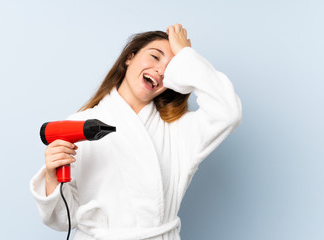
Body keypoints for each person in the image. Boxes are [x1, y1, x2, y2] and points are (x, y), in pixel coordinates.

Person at [30, 24, 242, 240]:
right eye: (155, 57)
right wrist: (51, 177)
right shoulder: (79, 125)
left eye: (171, 67)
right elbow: (62, 219)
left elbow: (228, 112)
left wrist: (187, 56)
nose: (160, 70)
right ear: (129, 57)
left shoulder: (180, 129)